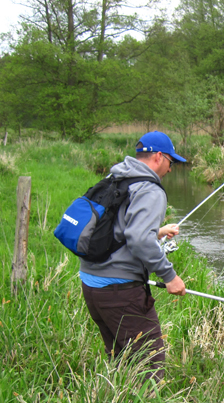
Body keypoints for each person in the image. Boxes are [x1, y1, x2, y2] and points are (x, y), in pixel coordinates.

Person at [79, 131, 187, 379]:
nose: (171, 169)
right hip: (120, 292)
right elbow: (138, 239)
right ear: (159, 157)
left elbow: (117, 227)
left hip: (92, 285)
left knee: (122, 360)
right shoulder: (151, 190)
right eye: (171, 162)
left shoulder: (117, 177)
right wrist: (169, 276)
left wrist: (157, 232)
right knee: (150, 364)